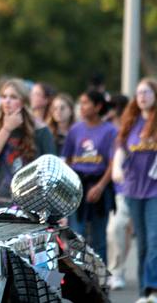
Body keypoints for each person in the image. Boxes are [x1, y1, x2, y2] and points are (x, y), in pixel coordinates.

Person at [0, 78, 56, 207]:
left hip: (33, 201)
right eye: (4, 96)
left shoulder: (41, 130)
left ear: (23, 101)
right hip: (1, 199)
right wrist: (6, 129)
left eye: (13, 97)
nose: (7, 101)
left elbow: (52, 170)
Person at [62, 90, 117, 263]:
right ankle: (81, 281)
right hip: (78, 186)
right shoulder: (75, 129)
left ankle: (101, 283)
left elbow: (113, 162)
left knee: (99, 238)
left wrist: (100, 186)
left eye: (86, 103)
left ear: (98, 106)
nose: (82, 107)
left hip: (100, 185)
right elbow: (68, 159)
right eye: (81, 102)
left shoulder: (110, 131)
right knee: (77, 236)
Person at [116, 78, 157, 301]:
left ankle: (153, 288)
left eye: (147, 92)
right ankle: (144, 292)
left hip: (155, 191)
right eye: (139, 92)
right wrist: (116, 168)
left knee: (154, 240)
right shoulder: (130, 121)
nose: (142, 96)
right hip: (133, 189)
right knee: (141, 244)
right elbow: (121, 148)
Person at [107, 93, 133, 290]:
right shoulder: (108, 129)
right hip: (111, 188)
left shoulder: (132, 129)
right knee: (113, 231)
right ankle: (115, 270)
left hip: (129, 188)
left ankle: (118, 270)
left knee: (121, 228)